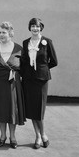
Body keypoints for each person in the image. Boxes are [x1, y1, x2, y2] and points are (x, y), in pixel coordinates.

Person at [20, 18, 58, 149]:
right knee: (31, 109)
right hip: (28, 80)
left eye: (37, 26)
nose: (35, 29)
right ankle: (38, 136)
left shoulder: (47, 42)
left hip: (41, 80)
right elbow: (24, 61)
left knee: (39, 109)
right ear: (29, 28)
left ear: (41, 27)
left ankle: (43, 135)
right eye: (32, 26)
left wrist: (43, 69)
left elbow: (54, 61)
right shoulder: (26, 43)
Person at [0, 22, 26, 149]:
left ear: (10, 33)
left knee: (12, 110)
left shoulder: (19, 49)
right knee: (1, 109)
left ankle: (13, 137)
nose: (1, 35)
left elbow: (24, 68)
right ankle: (2, 136)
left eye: (3, 32)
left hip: (13, 83)